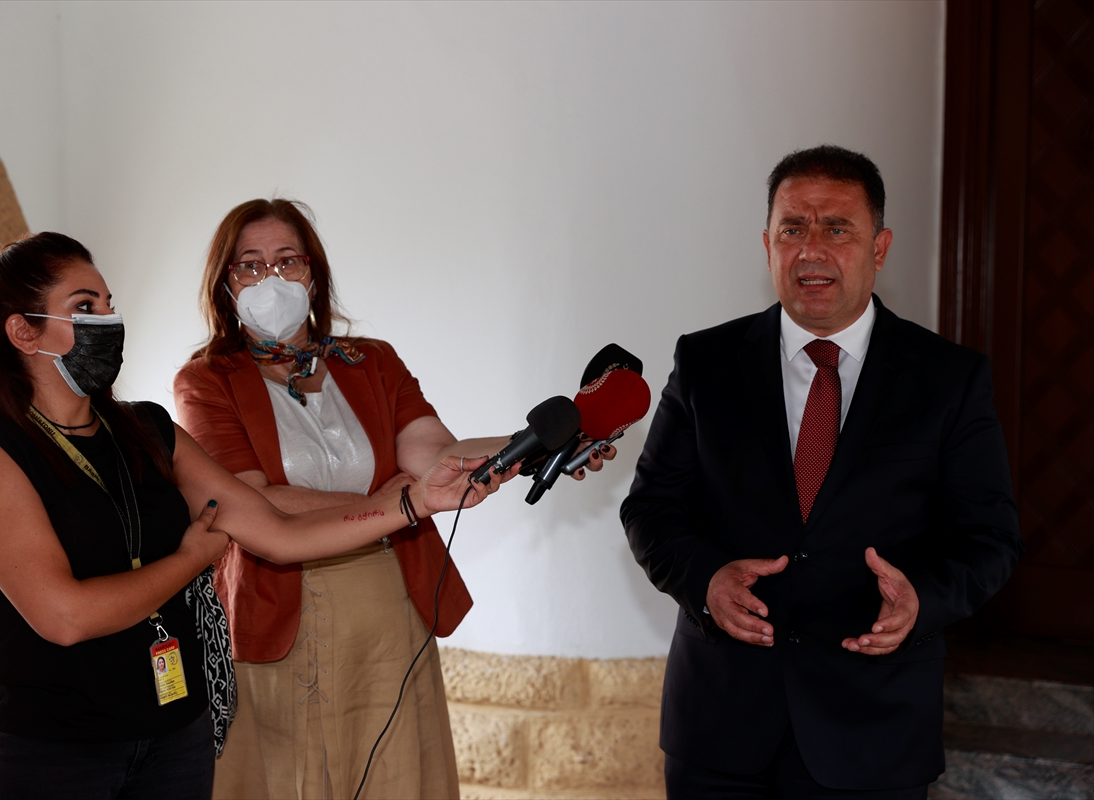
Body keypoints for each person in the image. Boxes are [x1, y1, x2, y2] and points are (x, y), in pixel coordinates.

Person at [0, 232, 503, 800]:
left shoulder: (148, 430)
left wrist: (415, 502)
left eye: (108, 304)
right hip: (57, 751)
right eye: (84, 307)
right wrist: (190, 560)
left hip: (173, 735)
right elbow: (64, 616)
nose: (108, 321)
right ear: (22, 331)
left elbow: (278, 532)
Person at [174, 198, 612, 800]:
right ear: (225, 284)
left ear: (312, 273)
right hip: (279, 611)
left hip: (387, 607)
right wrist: (393, 503)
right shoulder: (206, 380)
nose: (270, 279)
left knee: (397, 776)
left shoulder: (371, 361)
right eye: (250, 265)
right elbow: (254, 502)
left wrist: (545, 443)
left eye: (286, 261)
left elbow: (437, 454)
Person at [620, 145, 1022, 797]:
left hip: (874, 733)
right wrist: (707, 580)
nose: (811, 251)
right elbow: (652, 508)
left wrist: (922, 599)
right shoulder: (706, 362)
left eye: (837, 229)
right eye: (792, 229)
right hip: (719, 730)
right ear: (767, 245)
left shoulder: (949, 378)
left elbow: (990, 537)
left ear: (879, 247)